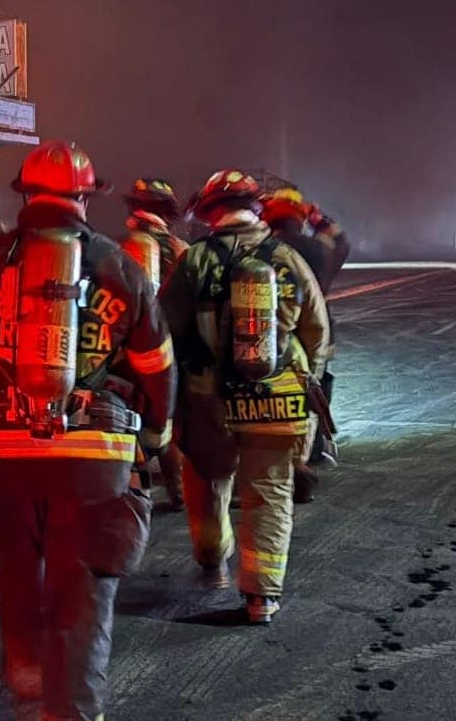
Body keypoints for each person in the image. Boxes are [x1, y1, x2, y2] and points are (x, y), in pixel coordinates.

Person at [0, 140, 176, 721]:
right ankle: (71, 710)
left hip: (3, 457)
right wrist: (155, 437)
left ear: (25, 195)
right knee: (83, 593)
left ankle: (27, 687)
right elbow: (156, 367)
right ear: (84, 198)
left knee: (19, 573)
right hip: (94, 459)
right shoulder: (121, 267)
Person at [160, 169, 329, 623]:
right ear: (256, 208)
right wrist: (306, 389)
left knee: (208, 480)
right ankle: (261, 598)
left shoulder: (194, 260)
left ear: (209, 212)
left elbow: (165, 331)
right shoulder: (289, 259)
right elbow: (317, 332)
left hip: (209, 399)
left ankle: (213, 559)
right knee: (269, 495)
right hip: (279, 399)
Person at [260, 182, 350, 495]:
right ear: (299, 218)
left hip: (273, 334)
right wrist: (319, 218)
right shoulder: (318, 249)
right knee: (316, 386)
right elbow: (342, 243)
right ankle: (313, 448)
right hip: (315, 329)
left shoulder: (262, 249)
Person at [119, 178, 189, 510]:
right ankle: (178, 488)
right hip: (174, 350)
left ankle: (135, 492)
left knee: (132, 417)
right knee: (167, 417)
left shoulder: (121, 250)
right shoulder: (182, 249)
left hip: (129, 352)